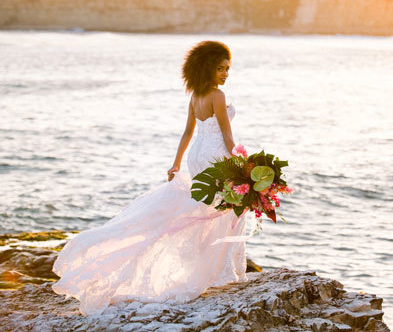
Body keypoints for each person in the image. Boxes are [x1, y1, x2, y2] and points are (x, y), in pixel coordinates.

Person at [51, 40, 250, 316]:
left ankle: (202, 268)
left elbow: (187, 133)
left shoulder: (195, 96)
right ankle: (215, 272)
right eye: (220, 68)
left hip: (197, 157)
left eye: (228, 68)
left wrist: (177, 163)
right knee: (228, 210)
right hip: (215, 157)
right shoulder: (217, 96)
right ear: (208, 68)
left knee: (204, 212)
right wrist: (243, 162)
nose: (226, 74)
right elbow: (227, 136)